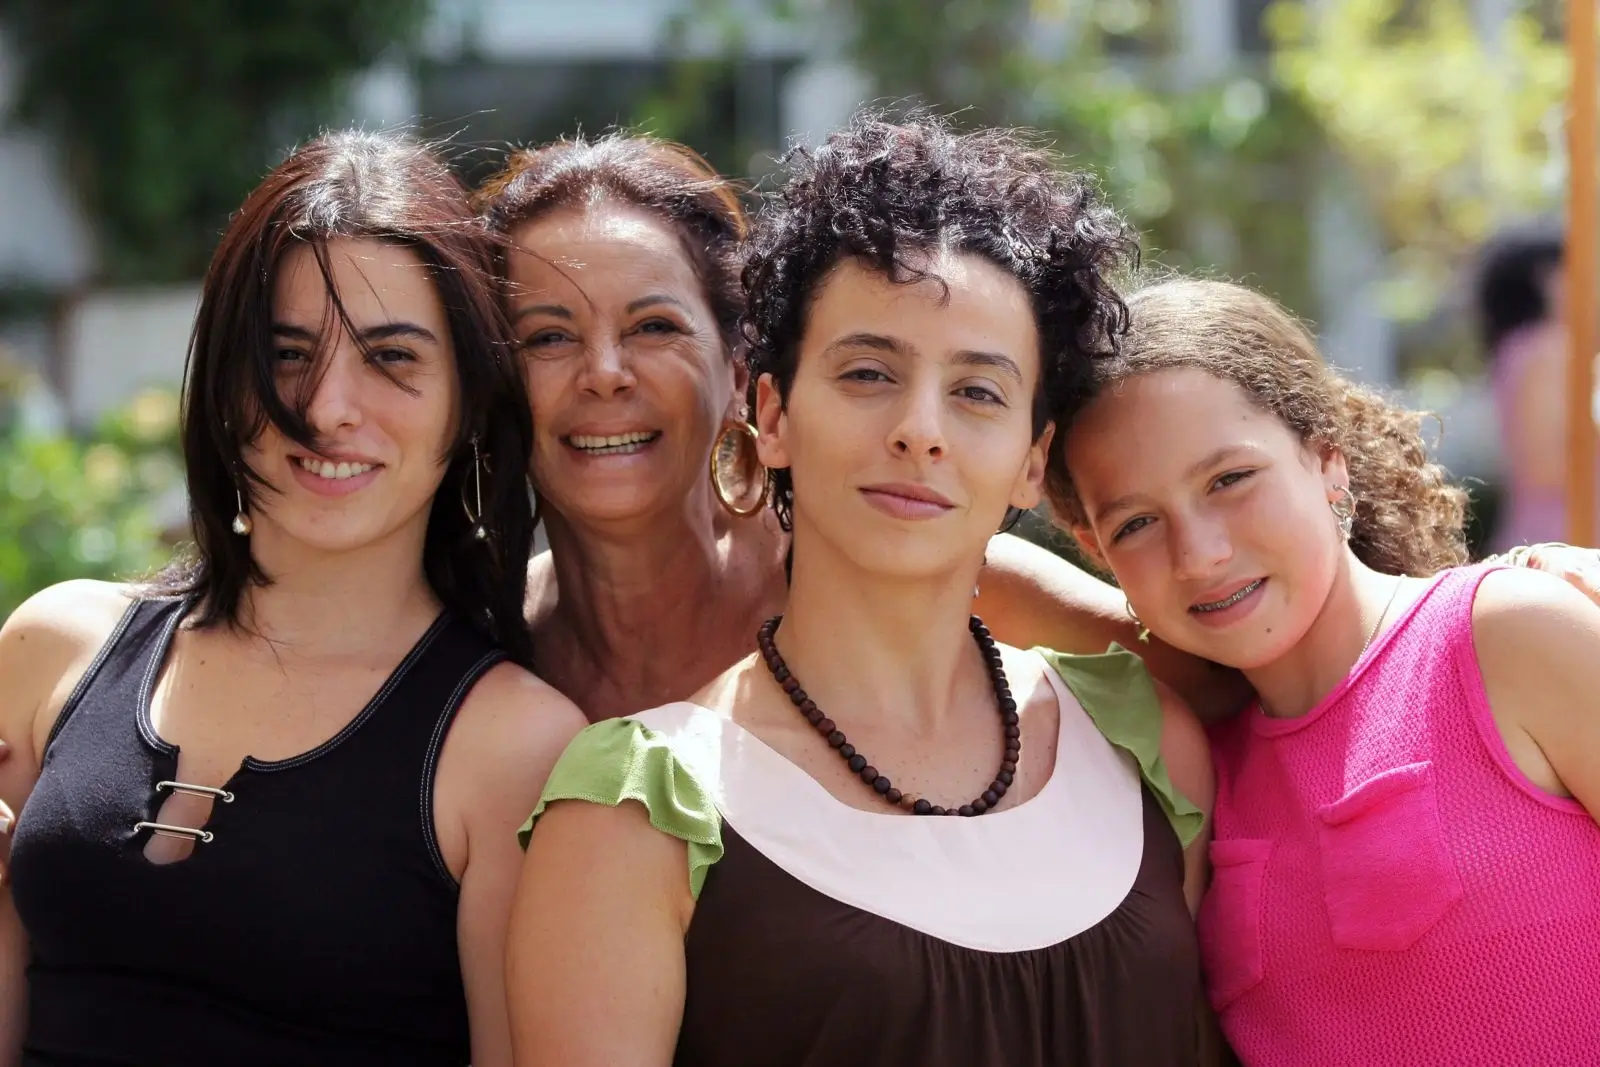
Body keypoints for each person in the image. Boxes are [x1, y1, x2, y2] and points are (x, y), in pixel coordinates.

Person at [504, 113, 1217, 1067]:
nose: (920, 430)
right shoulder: (633, 809)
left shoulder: (1148, 741)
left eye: (978, 392)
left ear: (1031, 463)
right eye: (869, 372)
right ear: (771, 414)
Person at [0, 131, 585, 1067]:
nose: (327, 406)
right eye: (286, 352)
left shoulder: (516, 748)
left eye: (392, 358)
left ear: (468, 404)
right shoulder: (51, 646)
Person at [473, 129, 1244, 724]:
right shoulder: (477, 642)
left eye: (653, 327)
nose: (605, 372)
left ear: (742, 372)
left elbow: (1239, 685)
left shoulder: (937, 569)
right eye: (547, 336)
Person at [1053, 277, 1600, 1066]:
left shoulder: (1508, 634)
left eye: (1228, 480)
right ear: (1097, 553)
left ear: (1326, 460)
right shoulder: (1194, 772)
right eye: (1137, 522)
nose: (1199, 553)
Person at [1475, 223, 1600, 551]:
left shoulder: (1522, 348)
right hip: (1568, 541)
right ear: (1545, 280)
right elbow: (1545, 467)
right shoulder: (1551, 349)